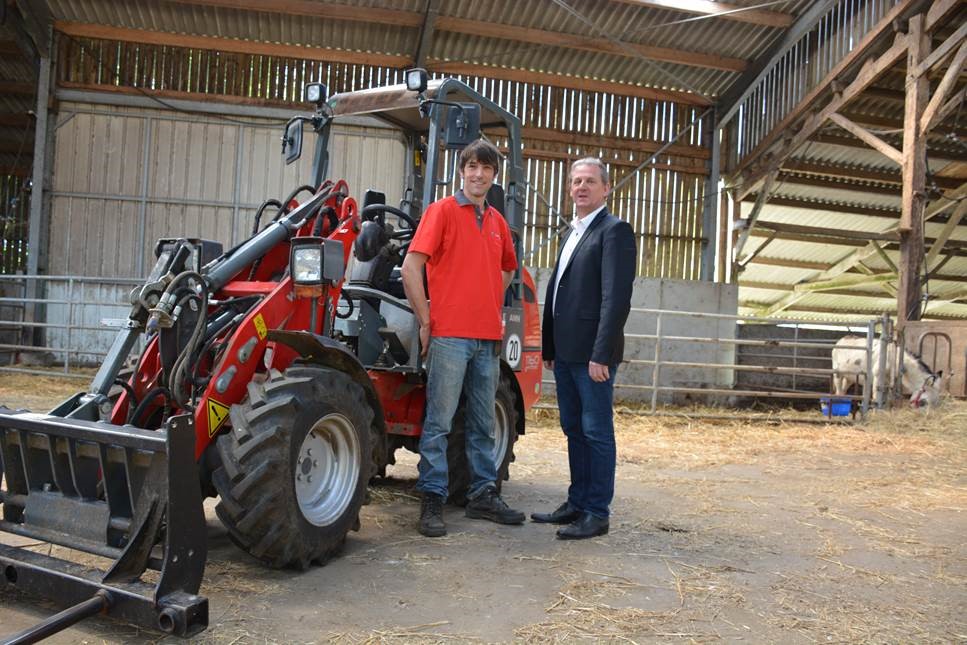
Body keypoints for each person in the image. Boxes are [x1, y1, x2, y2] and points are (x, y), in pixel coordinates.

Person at [401, 139, 526, 538]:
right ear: (462, 171)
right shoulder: (441, 212)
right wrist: (426, 320)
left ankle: (482, 495)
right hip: (450, 336)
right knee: (438, 423)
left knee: (481, 423)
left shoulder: (497, 224)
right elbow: (410, 267)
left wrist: (486, 299)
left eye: (486, 168)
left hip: (487, 337)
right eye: (472, 166)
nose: (478, 174)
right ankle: (433, 496)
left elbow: (507, 269)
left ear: (493, 175)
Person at [533, 157, 637, 540]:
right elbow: (558, 289)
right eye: (576, 181)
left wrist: (602, 353)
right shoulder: (572, 232)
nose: (581, 187)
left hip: (592, 357)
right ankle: (576, 502)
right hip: (565, 352)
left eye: (590, 181)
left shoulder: (614, 231)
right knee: (573, 428)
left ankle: (597, 511)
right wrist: (549, 345)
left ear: (606, 189)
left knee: (596, 431)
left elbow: (616, 299)